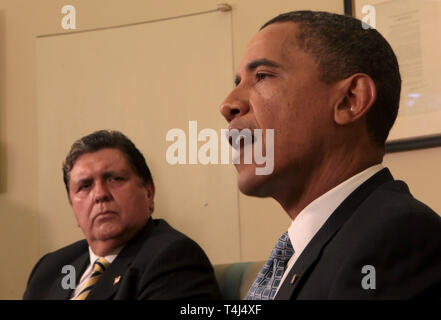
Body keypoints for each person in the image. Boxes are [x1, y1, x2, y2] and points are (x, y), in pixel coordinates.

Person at [220, 10, 441, 299]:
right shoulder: (306, 248)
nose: (228, 104)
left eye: (261, 76)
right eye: (237, 82)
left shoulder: (397, 237)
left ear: (350, 100)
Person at [23, 130, 221, 299]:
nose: (100, 194)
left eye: (115, 179)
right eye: (85, 186)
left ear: (149, 193)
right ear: (73, 207)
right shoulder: (50, 269)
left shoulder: (173, 258)